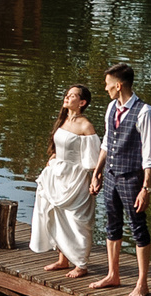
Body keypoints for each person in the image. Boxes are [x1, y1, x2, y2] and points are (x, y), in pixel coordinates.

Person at [92, 61, 151, 296]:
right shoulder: (111, 108)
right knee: (112, 225)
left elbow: (149, 154)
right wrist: (97, 172)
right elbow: (107, 143)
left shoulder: (144, 111)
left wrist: (145, 188)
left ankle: (142, 283)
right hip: (110, 174)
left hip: (132, 177)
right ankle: (113, 274)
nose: (106, 88)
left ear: (119, 85)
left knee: (138, 227)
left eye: (108, 85)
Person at [30, 83, 103, 278]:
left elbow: (94, 157)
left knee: (76, 220)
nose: (67, 97)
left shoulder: (85, 126)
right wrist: (53, 157)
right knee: (56, 214)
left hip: (75, 177)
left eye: (72, 96)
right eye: (67, 95)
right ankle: (63, 259)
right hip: (56, 174)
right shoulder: (62, 121)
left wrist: (95, 178)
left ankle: (81, 264)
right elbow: (60, 146)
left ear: (82, 102)